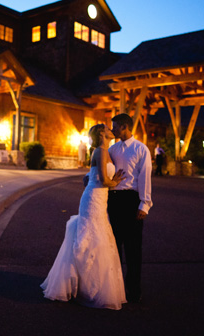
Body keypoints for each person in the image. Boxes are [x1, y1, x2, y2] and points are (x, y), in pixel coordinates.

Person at [41, 123, 127, 309]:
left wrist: (96, 179)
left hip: (99, 197)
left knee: (98, 235)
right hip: (94, 198)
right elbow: (104, 180)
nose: (111, 129)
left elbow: (92, 175)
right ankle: (85, 285)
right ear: (102, 134)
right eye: (107, 127)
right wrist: (117, 181)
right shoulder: (101, 152)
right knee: (91, 236)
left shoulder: (105, 151)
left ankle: (87, 283)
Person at [108, 114, 152, 303]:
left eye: (115, 126)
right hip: (114, 200)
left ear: (125, 126)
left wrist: (145, 204)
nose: (113, 130)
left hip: (132, 199)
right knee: (113, 246)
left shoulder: (141, 149)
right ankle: (115, 289)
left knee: (133, 248)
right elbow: (103, 170)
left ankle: (134, 290)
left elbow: (145, 177)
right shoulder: (112, 149)